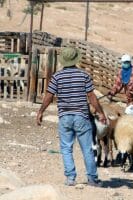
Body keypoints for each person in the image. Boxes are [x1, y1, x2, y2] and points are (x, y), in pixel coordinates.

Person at [36, 47, 107, 187]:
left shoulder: (57, 76)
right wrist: (100, 113)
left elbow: (49, 96)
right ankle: (92, 179)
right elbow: (92, 97)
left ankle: (70, 178)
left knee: (66, 148)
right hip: (81, 116)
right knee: (87, 148)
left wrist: (40, 112)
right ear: (76, 60)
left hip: (65, 117)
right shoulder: (84, 75)